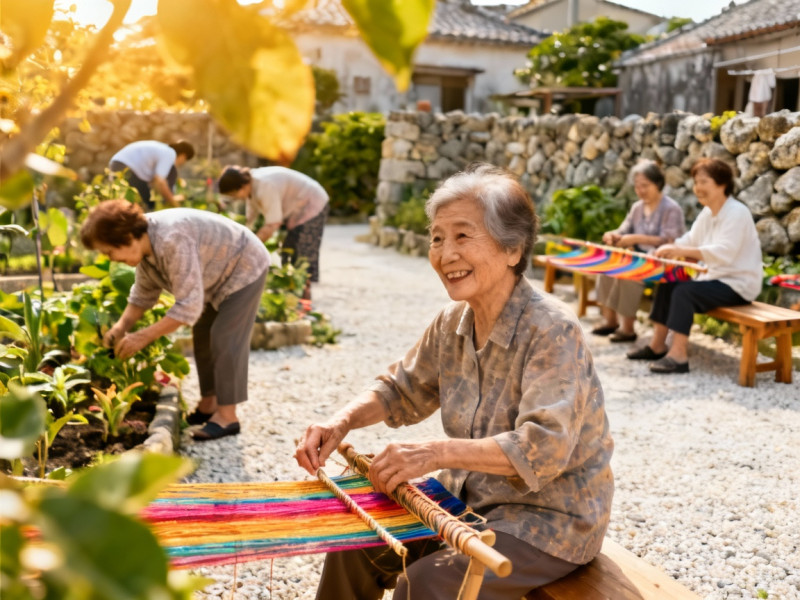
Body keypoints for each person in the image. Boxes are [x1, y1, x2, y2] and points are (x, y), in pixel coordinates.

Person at [295, 164, 614, 599]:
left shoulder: (551, 329)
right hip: (468, 498)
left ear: (513, 250)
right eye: (437, 238)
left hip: (546, 518)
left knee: (428, 585)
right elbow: (399, 388)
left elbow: (544, 446)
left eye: (463, 236)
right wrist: (340, 423)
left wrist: (434, 452)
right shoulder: (453, 322)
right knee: (358, 544)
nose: (446, 254)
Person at [79, 200, 269, 441]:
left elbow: (188, 307)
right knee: (202, 335)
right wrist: (121, 327)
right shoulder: (145, 249)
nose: (111, 259)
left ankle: (228, 417)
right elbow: (142, 295)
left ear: (126, 237)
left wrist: (142, 336)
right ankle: (209, 405)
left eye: (109, 252)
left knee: (224, 337)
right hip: (216, 275)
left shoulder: (171, 239)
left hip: (244, 265)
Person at [626, 158, 763, 374]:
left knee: (684, 292)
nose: (697, 188)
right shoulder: (708, 213)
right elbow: (689, 240)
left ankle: (678, 356)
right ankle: (658, 345)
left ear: (722, 184)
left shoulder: (737, 212)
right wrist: (665, 251)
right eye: (696, 182)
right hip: (713, 279)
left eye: (704, 182)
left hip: (738, 284)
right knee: (669, 281)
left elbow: (724, 253)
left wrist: (680, 251)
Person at [592, 160, 685, 343]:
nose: (640, 190)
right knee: (606, 268)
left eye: (645, 186)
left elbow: (669, 240)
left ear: (658, 184)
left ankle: (628, 329)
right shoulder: (637, 208)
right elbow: (624, 229)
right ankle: (610, 321)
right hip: (639, 258)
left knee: (628, 273)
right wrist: (613, 235)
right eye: (637, 186)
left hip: (662, 262)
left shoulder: (671, 208)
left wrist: (635, 239)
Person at [217, 165, 329, 301]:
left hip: (312, 201)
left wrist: (248, 248)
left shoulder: (265, 186)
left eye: (234, 194)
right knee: (288, 251)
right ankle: (294, 297)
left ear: (242, 186)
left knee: (302, 253)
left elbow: (273, 223)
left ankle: (304, 301)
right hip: (296, 208)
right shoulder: (252, 188)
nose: (236, 198)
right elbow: (250, 220)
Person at [109, 140, 195, 210]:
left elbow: (155, 183)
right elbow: (160, 181)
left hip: (118, 163)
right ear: (183, 156)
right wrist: (175, 205)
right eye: (184, 161)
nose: (182, 163)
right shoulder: (170, 153)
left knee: (142, 201)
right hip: (125, 166)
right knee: (143, 205)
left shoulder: (163, 149)